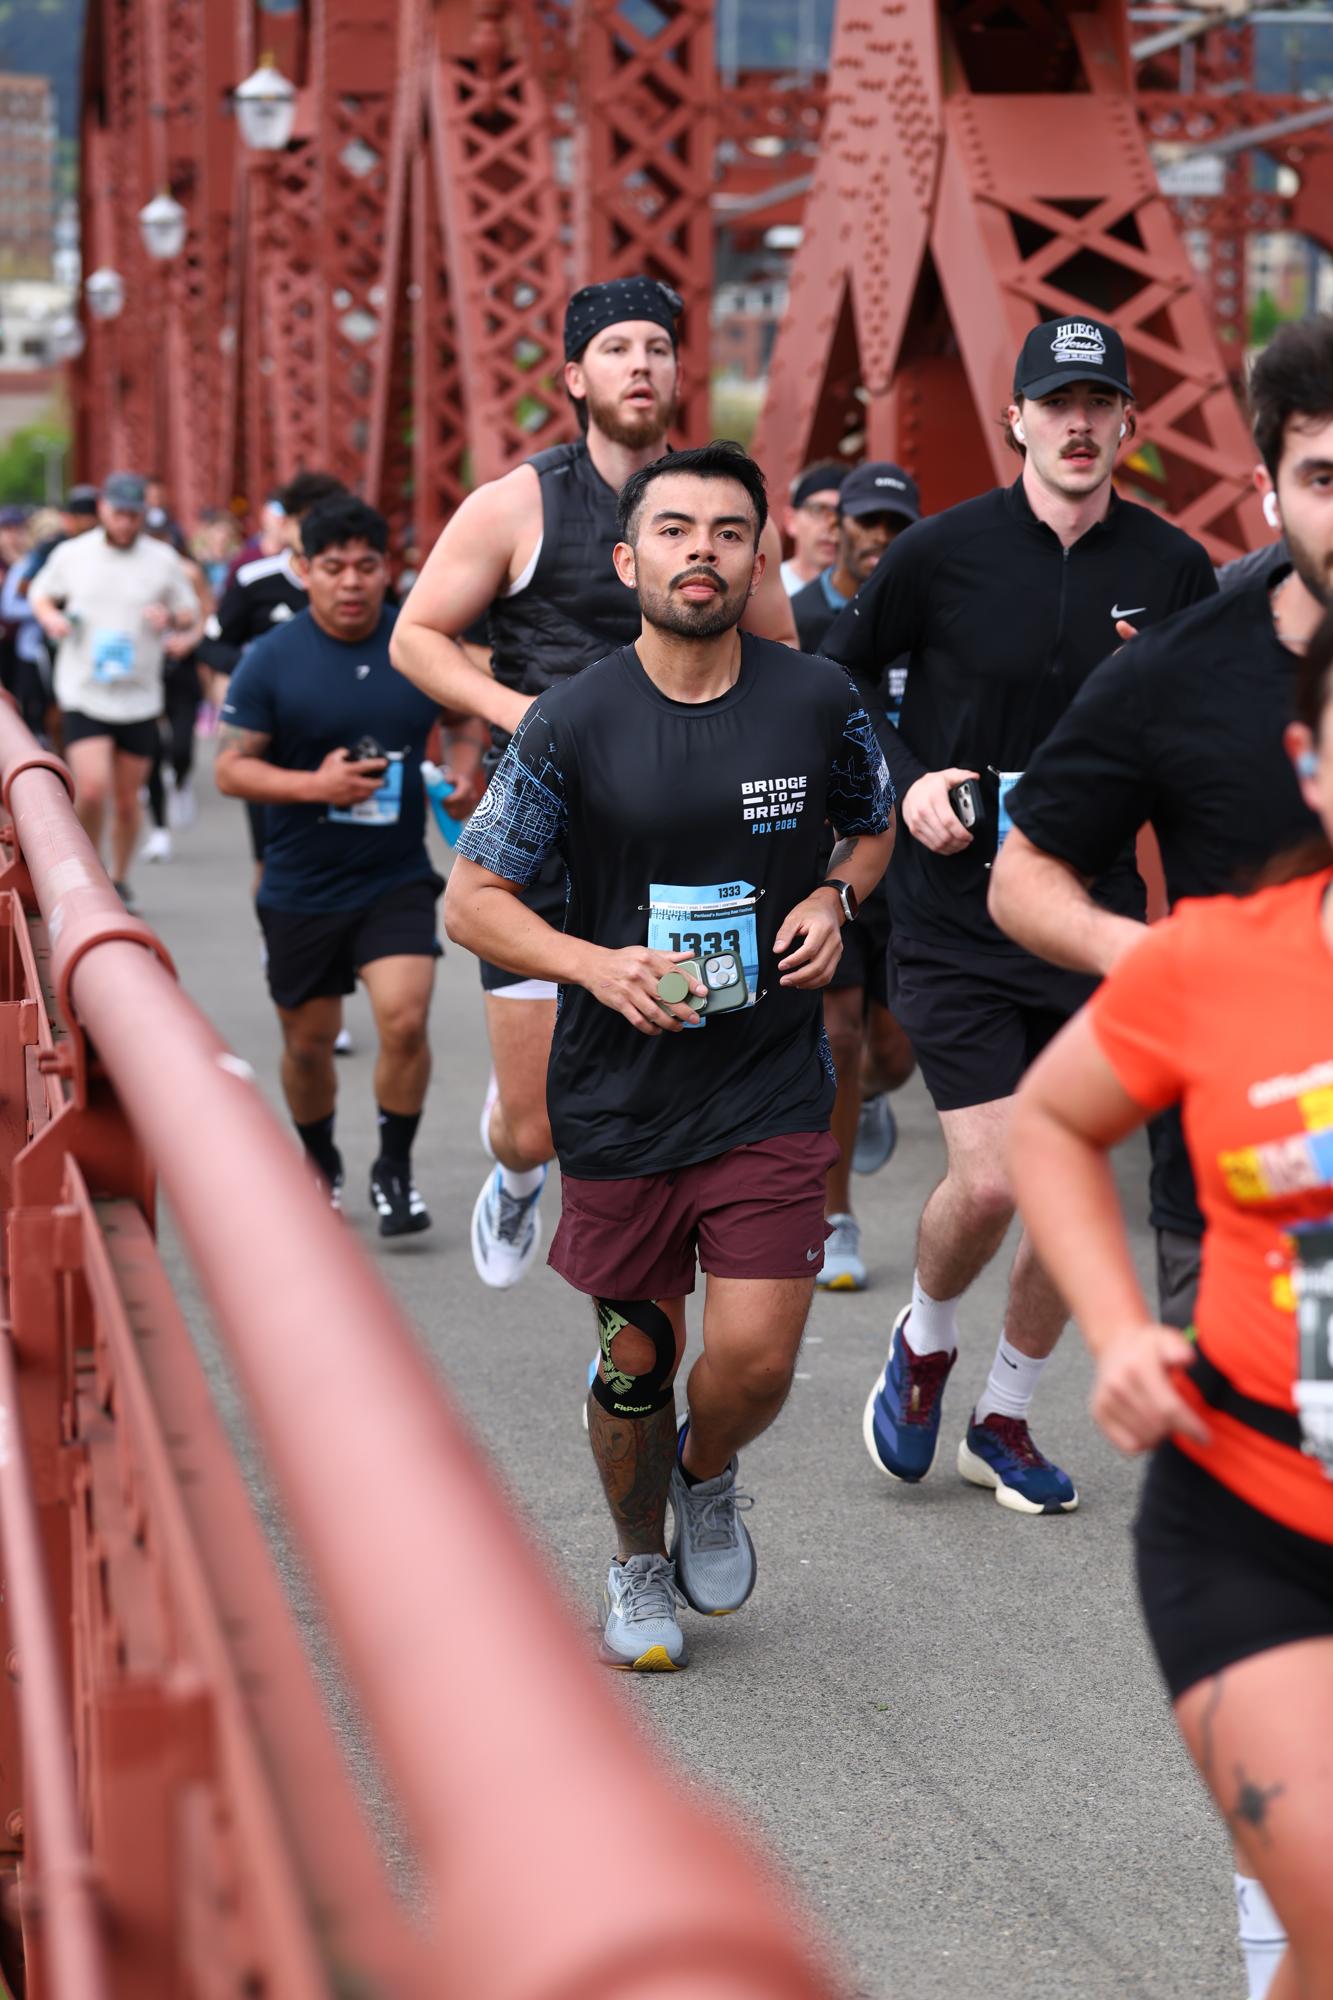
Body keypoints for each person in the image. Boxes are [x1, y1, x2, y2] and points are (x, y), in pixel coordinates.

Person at [444, 442, 894, 1670]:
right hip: (620, 1095)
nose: (703, 550)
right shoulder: (569, 721)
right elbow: (471, 900)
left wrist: (836, 899)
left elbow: (871, 826)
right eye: (676, 529)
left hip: (766, 1082)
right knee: (637, 1358)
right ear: (628, 559)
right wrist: (593, 963)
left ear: (758, 560)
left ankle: (707, 1468)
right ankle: (636, 1555)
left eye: (729, 531)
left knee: (756, 1359)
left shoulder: (816, 699)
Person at [822, 315, 1217, 1514]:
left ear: (1129, 423)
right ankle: (925, 1338)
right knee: (995, 1180)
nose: (1077, 424)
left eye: (1098, 404)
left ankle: (1002, 1415)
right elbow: (839, 676)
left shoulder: (1171, 569)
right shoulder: (938, 552)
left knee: (1070, 1186)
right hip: (954, 911)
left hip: (1091, 919)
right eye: (1056, 403)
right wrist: (908, 778)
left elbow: (1199, 744)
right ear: (1016, 419)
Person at [1009, 605, 1333, 2000]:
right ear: (1308, 763)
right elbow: (1047, 1123)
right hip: (1257, 1514)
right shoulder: (1215, 960)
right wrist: (1118, 1327)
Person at [392, 276, 799, 1292]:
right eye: (616, 349)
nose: (640, 366)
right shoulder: (517, 502)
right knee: (536, 1127)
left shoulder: (723, 510)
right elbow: (416, 636)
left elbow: (786, 660)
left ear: (678, 373)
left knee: (679, 1080)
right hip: (547, 839)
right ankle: (515, 1171)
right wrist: (521, 713)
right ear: (576, 376)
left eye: (657, 348)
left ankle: (653, 1318)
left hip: (685, 837)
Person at [990, 315, 1333, 1336]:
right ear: (1269, 486)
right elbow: (1023, 875)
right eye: (1322, 479)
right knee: (1268, 1442)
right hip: (1245, 1195)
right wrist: (1154, 961)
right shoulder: (1172, 672)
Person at [215, 496, 452, 1234]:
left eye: (366, 566)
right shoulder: (270, 658)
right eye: (333, 567)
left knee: (404, 1022)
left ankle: (394, 1170)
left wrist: (465, 768)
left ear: (389, 569)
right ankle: (321, 1165)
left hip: (394, 875)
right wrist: (314, 786)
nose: (351, 582)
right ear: (302, 570)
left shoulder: (416, 644)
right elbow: (230, 769)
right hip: (301, 883)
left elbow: (468, 714)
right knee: (309, 1046)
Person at [790, 462, 923, 1288]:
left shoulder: (930, 620)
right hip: (830, 860)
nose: (878, 538)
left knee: (896, 1054)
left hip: (915, 862)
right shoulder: (797, 621)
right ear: (835, 528)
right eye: (865, 522)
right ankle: (834, 1217)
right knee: (836, 1032)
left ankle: (871, 1093)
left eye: (894, 526)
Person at [27, 472, 201, 904]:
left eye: (133, 515)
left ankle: (119, 878)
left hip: (138, 693)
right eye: (118, 513)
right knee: (90, 790)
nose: (125, 523)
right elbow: (40, 594)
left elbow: (189, 611)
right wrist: (52, 618)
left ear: (144, 515)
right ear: (103, 509)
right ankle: (90, 872)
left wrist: (171, 621)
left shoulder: (162, 559)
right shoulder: (73, 554)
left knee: (126, 801)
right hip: (84, 689)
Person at [779, 461, 848, 596]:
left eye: (841, 513)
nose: (831, 523)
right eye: (818, 510)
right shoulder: (761, 591)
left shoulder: (866, 596)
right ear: (790, 520)